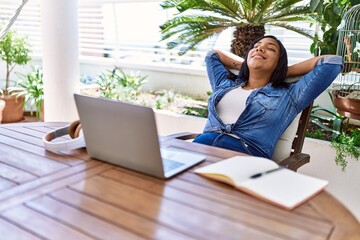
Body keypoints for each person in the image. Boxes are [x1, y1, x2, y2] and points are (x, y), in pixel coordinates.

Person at [193, 35, 343, 160]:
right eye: (256, 46)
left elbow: (332, 63)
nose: (260, 48)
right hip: (198, 149)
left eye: (270, 48)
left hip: (243, 159)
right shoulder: (224, 84)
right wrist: (245, 64)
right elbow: (212, 55)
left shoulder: (289, 95)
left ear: (279, 63)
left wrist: (286, 71)